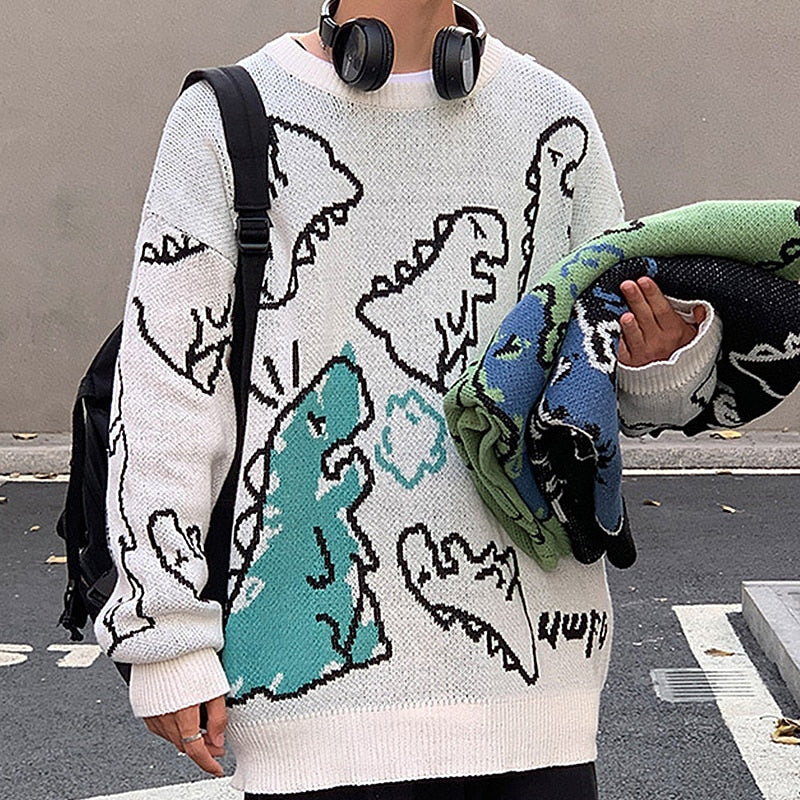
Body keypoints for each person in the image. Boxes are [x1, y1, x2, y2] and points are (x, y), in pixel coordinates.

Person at [95, 2, 721, 798]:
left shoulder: (553, 115)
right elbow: (168, 392)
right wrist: (165, 631)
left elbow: (597, 394)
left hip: (538, 700)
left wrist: (658, 360)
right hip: (315, 700)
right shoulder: (228, 119)